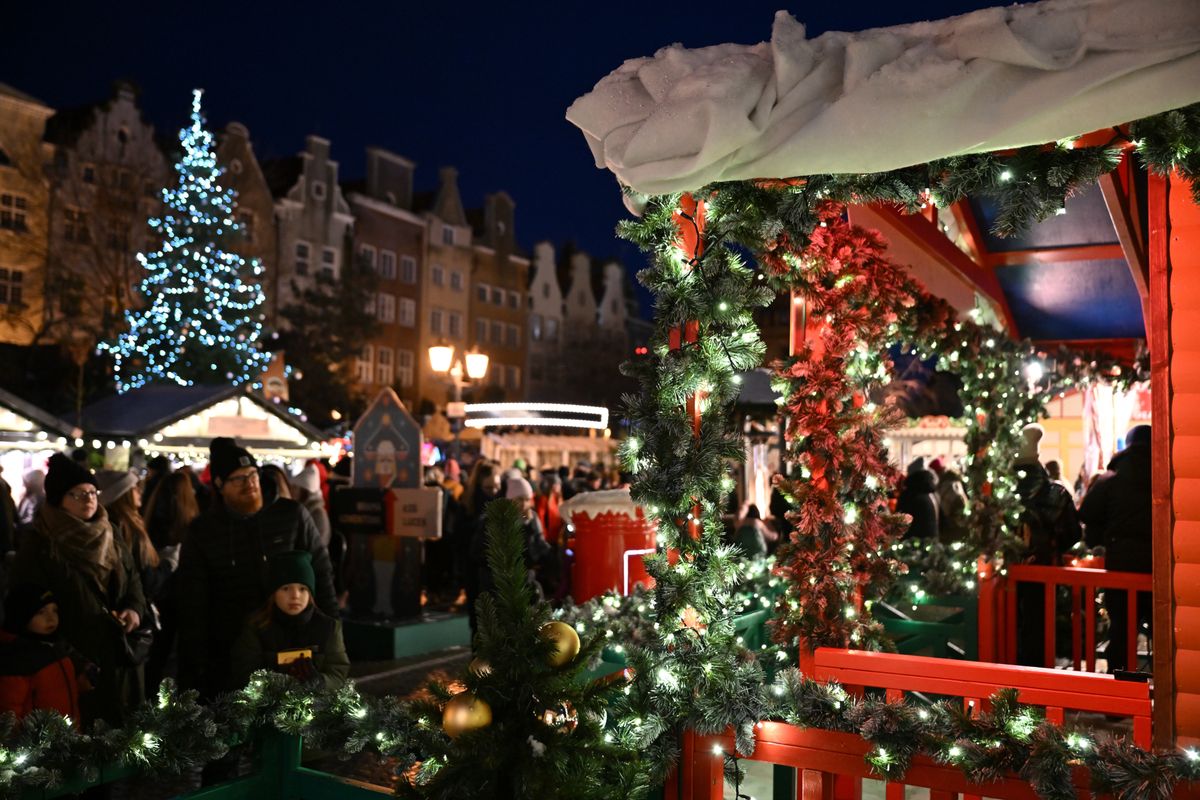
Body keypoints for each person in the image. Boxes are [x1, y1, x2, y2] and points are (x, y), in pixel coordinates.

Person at [175, 437, 337, 699]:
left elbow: (321, 572)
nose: (249, 483)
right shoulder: (203, 531)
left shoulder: (292, 515)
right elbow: (193, 600)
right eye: (237, 479)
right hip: (230, 646)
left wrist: (331, 630)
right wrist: (195, 665)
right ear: (219, 484)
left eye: (252, 474)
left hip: (291, 639)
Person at [11, 453, 146, 727]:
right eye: (77, 494)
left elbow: (133, 581)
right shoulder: (40, 545)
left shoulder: (112, 532)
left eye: (92, 492)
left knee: (128, 738)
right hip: (73, 664)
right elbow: (31, 613)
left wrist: (134, 610)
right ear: (58, 499)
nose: (88, 499)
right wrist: (75, 662)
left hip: (121, 655)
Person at [1078, 425, 1153, 672]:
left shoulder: (1111, 479)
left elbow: (1088, 512)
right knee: (1164, 630)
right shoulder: (1166, 475)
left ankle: (1118, 697)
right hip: (1159, 565)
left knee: (1121, 629)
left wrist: (1104, 539)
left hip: (1120, 562)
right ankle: (1163, 697)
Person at [1013, 424, 1082, 666]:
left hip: (1003, 576)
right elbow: (1072, 534)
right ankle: (1038, 682)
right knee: (1039, 628)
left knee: (1007, 627)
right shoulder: (1056, 493)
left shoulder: (1000, 493)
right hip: (1044, 572)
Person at [230, 551, 349, 690]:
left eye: (303, 588)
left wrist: (320, 682)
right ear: (273, 594)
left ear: (310, 594)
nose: (295, 596)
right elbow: (243, 673)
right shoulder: (256, 627)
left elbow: (338, 673)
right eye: (286, 588)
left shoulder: (329, 628)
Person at [0, 585, 83, 726]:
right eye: (41, 612)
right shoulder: (17, 658)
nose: (51, 618)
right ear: (22, 616)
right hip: (36, 743)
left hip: (68, 734)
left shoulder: (57, 647)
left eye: (54, 610)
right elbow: (9, 708)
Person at [897, 457, 940, 539]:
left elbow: (900, 523)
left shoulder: (909, 495)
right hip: (932, 542)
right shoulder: (933, 493)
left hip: (913, 545)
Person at [291, 463, 331, 549]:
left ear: (305, 491)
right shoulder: (303, 510)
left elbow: (318, 546)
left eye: (295, 488)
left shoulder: (318, 513)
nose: (292, 491)